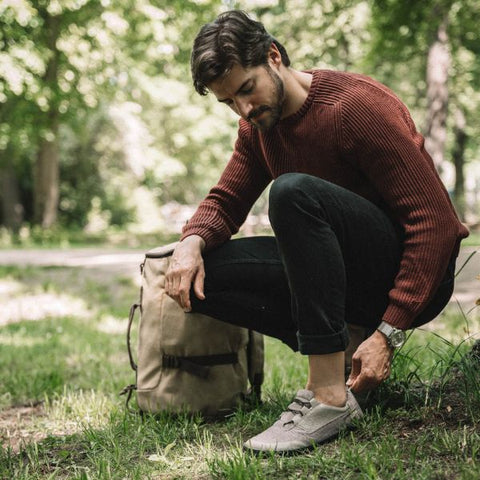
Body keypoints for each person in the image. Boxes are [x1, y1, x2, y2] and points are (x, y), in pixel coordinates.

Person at [165, 10, 468, 453]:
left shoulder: (355, 108)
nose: (244, 109)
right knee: (205, 274)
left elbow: (438, 225)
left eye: (247, 89)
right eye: (229, 102)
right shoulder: (258, 126)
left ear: (273, 56)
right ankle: (344, 349)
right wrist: (188, 246)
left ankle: (328, 394)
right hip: (337, 279)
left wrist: (389, 332)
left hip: (407, 271)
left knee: (291, 192)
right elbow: (227, 199)